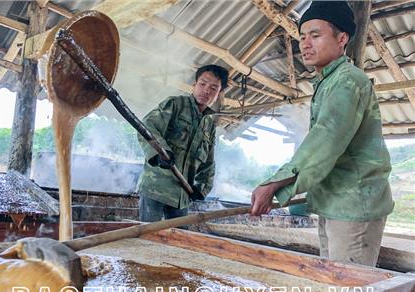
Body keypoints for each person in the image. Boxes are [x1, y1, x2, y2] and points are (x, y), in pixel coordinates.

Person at [250, 1, 394, 267]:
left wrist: (275, 183)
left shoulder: (348, 81)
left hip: (353, 206)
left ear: (342, 39)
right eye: (302, 37)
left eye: (315, 35)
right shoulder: (328, 82)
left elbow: (326, 139)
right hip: (335, 202)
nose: (305, 43)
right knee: (332, 284)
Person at [137, 64, 228, 222]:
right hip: (156, 189)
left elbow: (208, 163)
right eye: (202, 84)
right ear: (194, 85)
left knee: (179, 239)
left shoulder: (209, 126)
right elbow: (147, 126)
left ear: (219, 93)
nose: (206, 90)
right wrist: (160, 152)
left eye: (213, 88)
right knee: (149, 239)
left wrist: (201, 189)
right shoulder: (175, 105)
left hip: (182, 197)